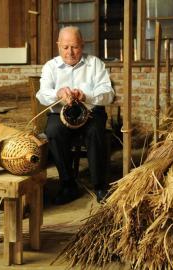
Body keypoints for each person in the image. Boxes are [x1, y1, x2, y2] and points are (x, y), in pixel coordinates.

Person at [36, 26, 115, 204]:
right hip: (61, 114)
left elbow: (108, 94)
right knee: (53, 131)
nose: (70, 52)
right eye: (65, 47)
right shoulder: (50, 66)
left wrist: (86, 96)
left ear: (82, 45)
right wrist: (57, 94)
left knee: (95, 132)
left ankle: (100, 186)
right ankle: (68, 185)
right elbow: (41, 94)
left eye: (75, 47)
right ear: (58, 46)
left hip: (91, 112)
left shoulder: (95, 64)